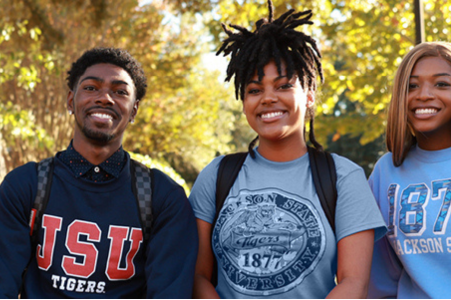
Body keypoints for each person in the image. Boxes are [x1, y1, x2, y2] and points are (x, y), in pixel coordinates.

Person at [188, 1, 386, 298]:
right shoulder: (217, 175)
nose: (268, 98)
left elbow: (353, 283)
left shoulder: (343, 177)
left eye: (283, 86)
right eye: (255, 90)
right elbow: (198, 275)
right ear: (244, 102)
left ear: (308, 96)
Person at [0, 47, 198, 298]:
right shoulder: (26, 185)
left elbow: (170, 293)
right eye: (91, 88)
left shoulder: (162, 198)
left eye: (120, 92)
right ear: (70, 100)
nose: (105, 98)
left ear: (133, 110)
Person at [367, 42, 451, 298]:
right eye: (412, 86)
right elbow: (379, 276)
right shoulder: (386, 172)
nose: (423, 94)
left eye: (442, 84)